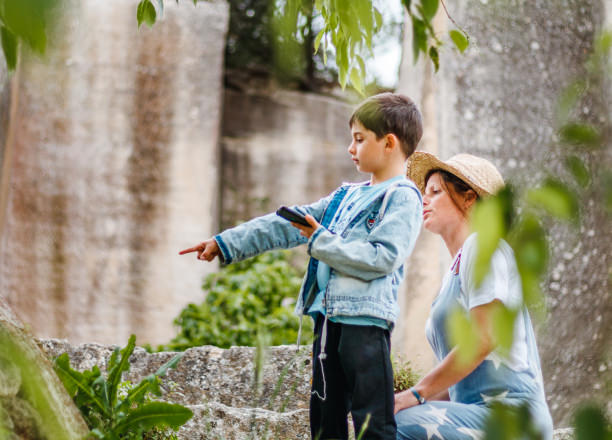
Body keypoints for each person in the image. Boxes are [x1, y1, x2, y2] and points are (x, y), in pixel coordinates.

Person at [180, 92, 424, 439]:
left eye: (359, 139)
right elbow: (286, 225)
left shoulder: (401, 197)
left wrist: (320, 240)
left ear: (388, 143)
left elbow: (382, 258)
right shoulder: (345, 196)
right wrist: (225, 243)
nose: (350, 148)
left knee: (374, 424)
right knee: (324, 421)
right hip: (326, 321)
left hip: (364, 326)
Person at [395, 152, 553, 439]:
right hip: (472, 415)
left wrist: (415, 395)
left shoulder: (483, 248)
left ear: (469, 199)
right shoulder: (453, 273)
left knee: (396, 426)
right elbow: (459, 382)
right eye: (423, 192)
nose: (424, 199)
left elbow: (485, 336)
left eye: (436, 191)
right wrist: (405, 397)